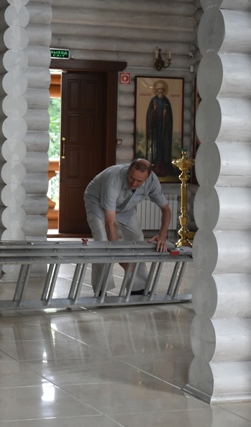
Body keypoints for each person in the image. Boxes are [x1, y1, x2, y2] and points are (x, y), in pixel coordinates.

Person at [84, 159, 171, 296]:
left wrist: (162, 235)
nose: (134, 183)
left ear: (147, 178)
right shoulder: (113, 179)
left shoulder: (152, 182)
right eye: (131, 178)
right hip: (97, 202)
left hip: (125, 206)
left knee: (137, 238)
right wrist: (120, 259)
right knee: (102, 241)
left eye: (139, 181)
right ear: (128, 170)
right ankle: (101, 289)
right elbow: (110, 223)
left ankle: (138, 288)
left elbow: (166, 209)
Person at [145, 80, 173, 177]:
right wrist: (154, 110)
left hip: (164, 130)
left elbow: (169, 117)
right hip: (155, 129)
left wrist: (165, 115)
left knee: (163, 147)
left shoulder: (166, 101)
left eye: (161, 89)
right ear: (156, 91)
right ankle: (154, 167)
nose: (160, 91)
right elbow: (149, 116)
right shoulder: (153, 101)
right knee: (155, 147)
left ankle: (163, 168)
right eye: (158, 89)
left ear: (164, 90)